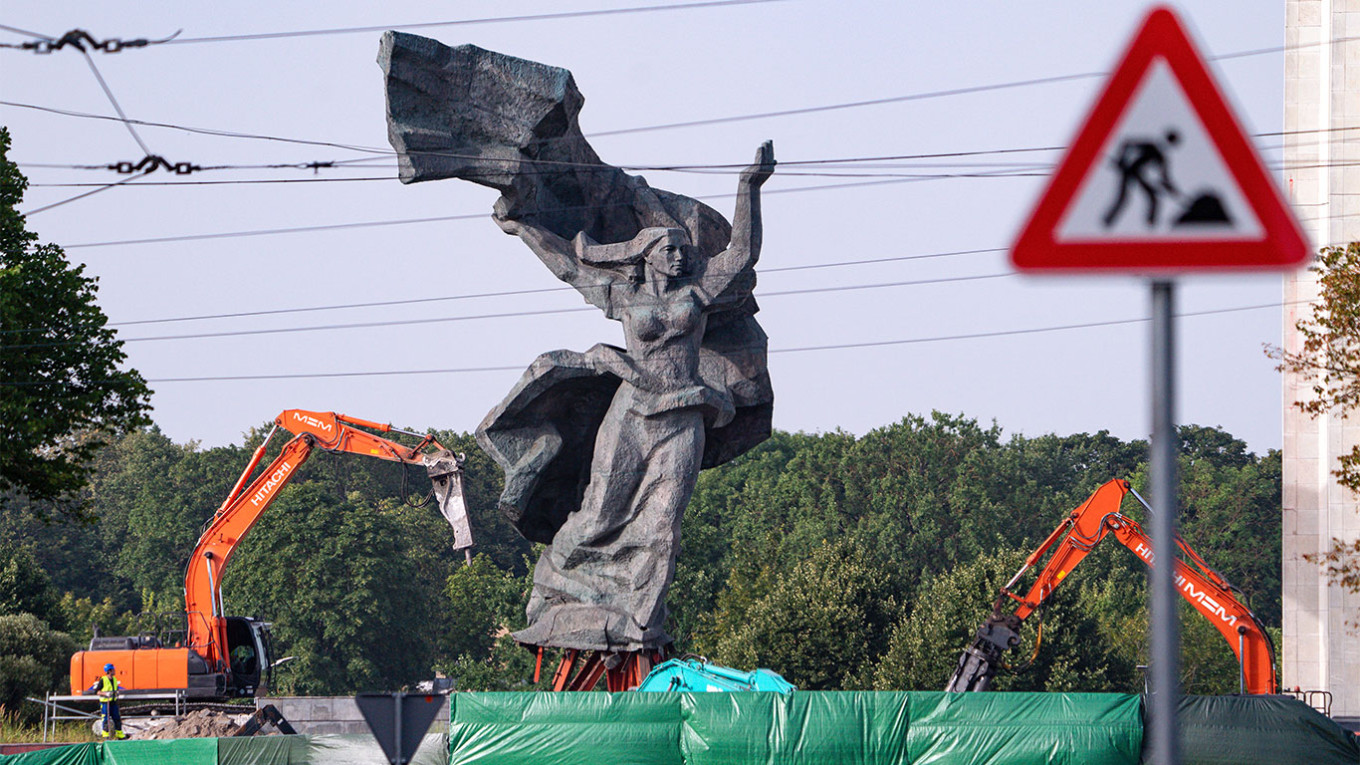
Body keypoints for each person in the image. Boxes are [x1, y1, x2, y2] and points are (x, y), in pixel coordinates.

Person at [487, 141, 776, 652]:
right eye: (669, 248)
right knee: (599, 512)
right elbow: (568, 264)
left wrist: (747, 187)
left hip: (682, 418)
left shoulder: (699, 292)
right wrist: (524, 228)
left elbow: (742, 253)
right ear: (647, 256)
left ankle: (639, 621)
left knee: (662, 525)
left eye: (683, 248)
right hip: (630, 416)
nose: (681, 253)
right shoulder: (623, 295)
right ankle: (559, 589)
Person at [86, 663, 127, 739]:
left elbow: (115, 688)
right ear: (109, 671)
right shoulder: (103, 680)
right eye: (113, 670)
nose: (115, 671)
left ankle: (119, 734)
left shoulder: (114, 679)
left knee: (117, 717)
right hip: (105, 702)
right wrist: (105, 693)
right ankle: (105, 735)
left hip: (113, 702)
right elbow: (96, 691)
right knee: (105, 719)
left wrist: (117, 692)